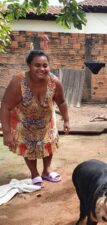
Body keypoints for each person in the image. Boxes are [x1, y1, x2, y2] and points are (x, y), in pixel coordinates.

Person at [1, 50, 70, 186]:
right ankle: (34, 174)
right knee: (29, 147)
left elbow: (61, 101)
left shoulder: (54, 82)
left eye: (45, 65)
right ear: (29, 65)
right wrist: (7, 133)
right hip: (24, 123)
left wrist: (66, 120)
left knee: (48, 144)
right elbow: (5, 107)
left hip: (46, 122)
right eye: (37, 65)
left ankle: (46, 171)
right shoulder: (18, 82)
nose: (41, 69)